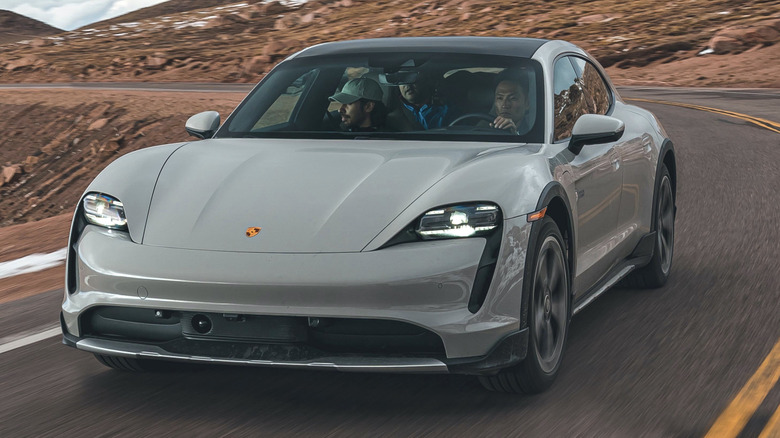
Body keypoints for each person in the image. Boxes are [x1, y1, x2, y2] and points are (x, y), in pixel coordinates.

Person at [386, 73, 452, 131]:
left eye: (411, 77)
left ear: (426, 80)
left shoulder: (448, 109)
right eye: (401, 80)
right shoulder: (395, 119)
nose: (407, 84)